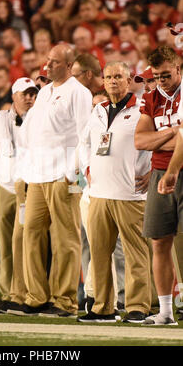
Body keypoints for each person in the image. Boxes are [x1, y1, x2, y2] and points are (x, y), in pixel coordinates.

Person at [10, 43, 92, 317]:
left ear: (69, 66)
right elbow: (29, 134)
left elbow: (85, 135)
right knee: (30, 233)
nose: (48, 66)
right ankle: (36, 297)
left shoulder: (79, 93)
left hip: (63, 175)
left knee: (66, 239)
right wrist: (24, 170)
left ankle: (65, 300)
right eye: (47, 60)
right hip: (37, 175)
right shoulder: (44, 94)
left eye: (55, 62)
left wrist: (71, 172)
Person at [77, 61, 152, 324]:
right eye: (108, 77)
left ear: (129, 79)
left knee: (135, 253)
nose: (112, 81)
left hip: (131, 193)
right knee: (98, 254)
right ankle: (102, 307)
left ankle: (137, 306)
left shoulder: (143, 109)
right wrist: (86, 167)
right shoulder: (98, 110)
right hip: (98, 192)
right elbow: (83, 143)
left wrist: (152, 171)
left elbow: (159, 141)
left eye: (118, 76)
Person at [0, 77, 39, 313]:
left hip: (31, 188)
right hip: (4, 187)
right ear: (13, 95)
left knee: (28, 244)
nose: (29, 98)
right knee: (6, 245)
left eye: (32, 94)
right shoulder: (0, 120)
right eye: (24, 93)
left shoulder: (39, 119)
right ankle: (8, 293)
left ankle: (26, 292)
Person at [134, 45, 182, 326]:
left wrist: (172, 168)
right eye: (157, 76)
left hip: (174, 171)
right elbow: (140, 141)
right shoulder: (152, 97)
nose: (161, 81)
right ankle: (165, 312)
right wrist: (173, 132)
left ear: (178, 68)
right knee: (159, 241)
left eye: (166, 75)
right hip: (159, 171)